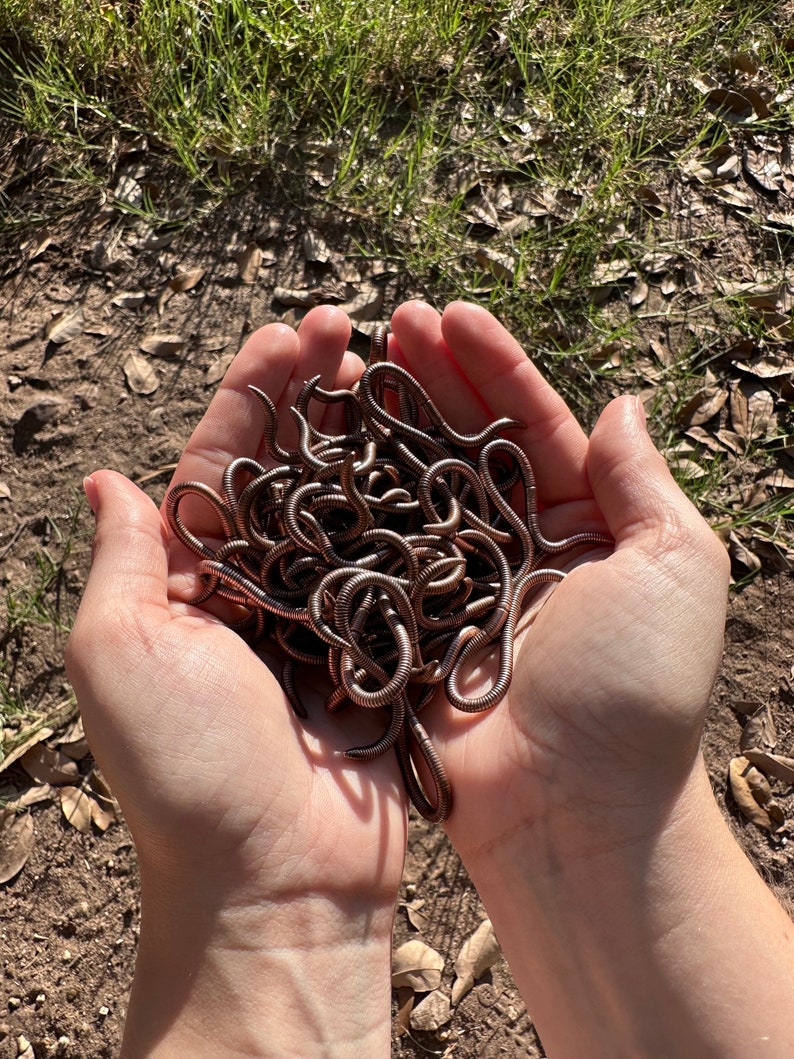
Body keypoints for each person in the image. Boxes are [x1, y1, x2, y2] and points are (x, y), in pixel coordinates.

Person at [65, 301, 794, 1059]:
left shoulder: (447, 567)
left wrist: (252, 905)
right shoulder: (364, 582)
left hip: (416, 582)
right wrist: (615, 827)